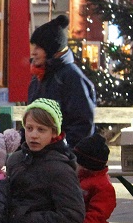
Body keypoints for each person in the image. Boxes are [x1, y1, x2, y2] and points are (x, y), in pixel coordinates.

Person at [26, 15, 96, 149]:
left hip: (64, 156)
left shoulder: (72, 77)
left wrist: (59, 147)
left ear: (53, 49)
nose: (33, 52)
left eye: (38, 48)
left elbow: (83, 124)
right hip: (43, 151)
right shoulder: (39, 76)